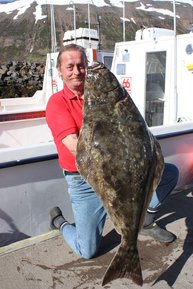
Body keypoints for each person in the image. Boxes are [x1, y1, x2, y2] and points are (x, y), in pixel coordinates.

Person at [46, 44, 179, 260]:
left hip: (120, 175)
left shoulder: (113, 98)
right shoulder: (56, 103)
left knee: (169, 174)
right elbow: (75, 148)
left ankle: (140, 222)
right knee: (87, 250)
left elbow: (136, 131)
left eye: (81, 65)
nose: (77, 71)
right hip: (83, 182)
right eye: (69, 67)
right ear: (60, 71)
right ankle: (59, 223)